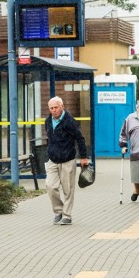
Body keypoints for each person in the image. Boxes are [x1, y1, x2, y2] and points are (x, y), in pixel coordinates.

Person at [45, 96, 90, 225]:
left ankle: (67, 215)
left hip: (67, 159)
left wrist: (83, 157)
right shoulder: (48, 121)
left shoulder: (69, 121)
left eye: (56, 107)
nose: (53, 110)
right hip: (53, 159)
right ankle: (58, 211)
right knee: (50, 186)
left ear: (62, 107)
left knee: (68, 189)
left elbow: (80, 138)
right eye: (51, 108)